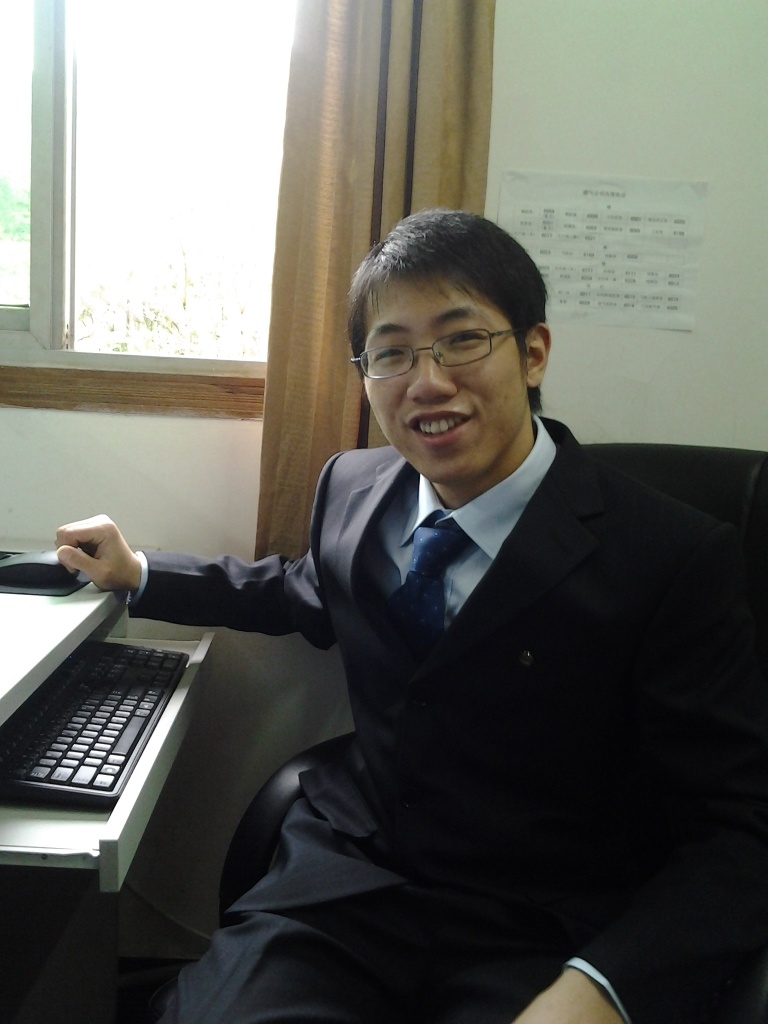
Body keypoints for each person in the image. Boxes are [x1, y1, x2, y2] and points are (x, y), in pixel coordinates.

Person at [56, 209, 768, 1024]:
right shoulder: (352, 489)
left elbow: (738, 830)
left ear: (534, 352)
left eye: (462, 340)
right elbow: (301, 590)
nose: (426, 382)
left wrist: (604, 989)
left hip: (544, 924)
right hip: (344, 886)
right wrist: (140, 572)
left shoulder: (671, 554)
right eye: (392, 353)